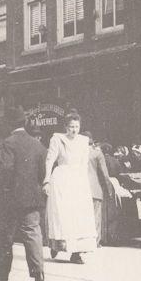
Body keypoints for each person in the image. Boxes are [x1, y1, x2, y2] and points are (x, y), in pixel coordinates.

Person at [0, 106, 46, 281]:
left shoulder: (8, 142)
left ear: (9, 124)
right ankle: (38, 273)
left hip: (11, 197)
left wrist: (3, 188)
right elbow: (42, 173)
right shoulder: (37, 144)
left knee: (6, 235)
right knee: (32, 233)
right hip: (32, 197)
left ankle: (3, 274)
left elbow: (6, 170)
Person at [43, 112, 97, 264]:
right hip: (62, 178)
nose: (74, 130)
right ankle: (57, 244)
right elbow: (50, 160)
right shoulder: (58, 139)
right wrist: (46, 180)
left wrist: (85, 184)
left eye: (77, 126)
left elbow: (84, 163)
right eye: (71, 127)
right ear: (65, 127)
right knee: (62, 214)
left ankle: (77, 253)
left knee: (80, 215)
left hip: (78, 180)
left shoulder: (83, 141)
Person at [82, 132, 113, 247]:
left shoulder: (77, 151)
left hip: (79, 188)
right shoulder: (96, 152)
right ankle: (94, 242)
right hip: (94, 188)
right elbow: (104, 174)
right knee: (95, 216)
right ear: (91, 140)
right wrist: (109, 189)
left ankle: (82, 241)